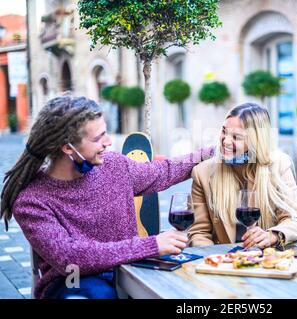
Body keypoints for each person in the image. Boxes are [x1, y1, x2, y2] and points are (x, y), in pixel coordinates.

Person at [0, 95, 214, 299]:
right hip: (74, 283)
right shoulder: (32, 200)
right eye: (98, 137)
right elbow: (70, 259)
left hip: (131, 272)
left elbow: (163, 171)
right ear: (68, 147)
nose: (108, 142)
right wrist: (152, 245)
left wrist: (212, 152)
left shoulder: (115, 166)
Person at [188, 103, 297, 249]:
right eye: (224, 131)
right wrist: (215, 261)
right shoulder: (203, 173)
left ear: (255, 141)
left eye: (236, 137)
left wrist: (272, 235)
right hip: (222, 262)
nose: (226, 141)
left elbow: (295, 220)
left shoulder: (279, 165)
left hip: (268, 261)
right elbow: (199, 233)